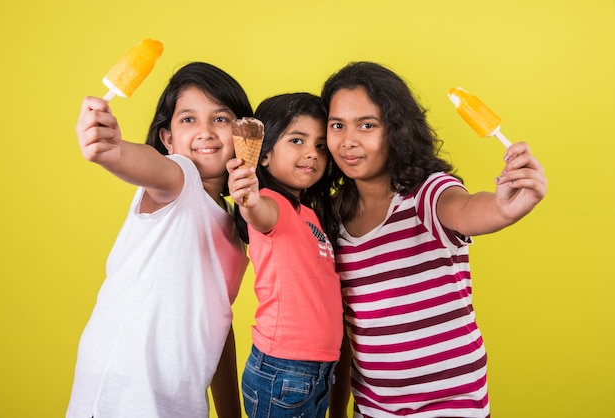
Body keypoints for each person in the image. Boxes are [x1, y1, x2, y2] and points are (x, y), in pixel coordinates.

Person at [322, 62, 547, 418]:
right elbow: (346, 329)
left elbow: (466, 210)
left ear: (395, 130)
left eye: (367, 125)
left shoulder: (426, 193)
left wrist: (506, 208)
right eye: (337, 126)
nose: (348, 141)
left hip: (452, 404)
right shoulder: (332, 219)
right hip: (375, 407)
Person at [67, 62, 254, 418]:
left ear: (244, 135)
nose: (205, 132)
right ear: (167, 138)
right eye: (188, 120)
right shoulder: (179, 180)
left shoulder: (236, 228)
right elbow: (147, 163)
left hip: (180, 402)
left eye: (220, 118)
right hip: (124, 397)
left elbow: (216, 327)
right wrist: (110, 149)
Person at [226, 93, 343, 418]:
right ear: (264, 156)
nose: (312, 153)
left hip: (315, 369)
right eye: (297, 140)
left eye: (321, 145)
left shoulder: (309, 213)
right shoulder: (271, 202)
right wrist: (246, 197)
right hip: (283, 370)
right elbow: (257, 211)